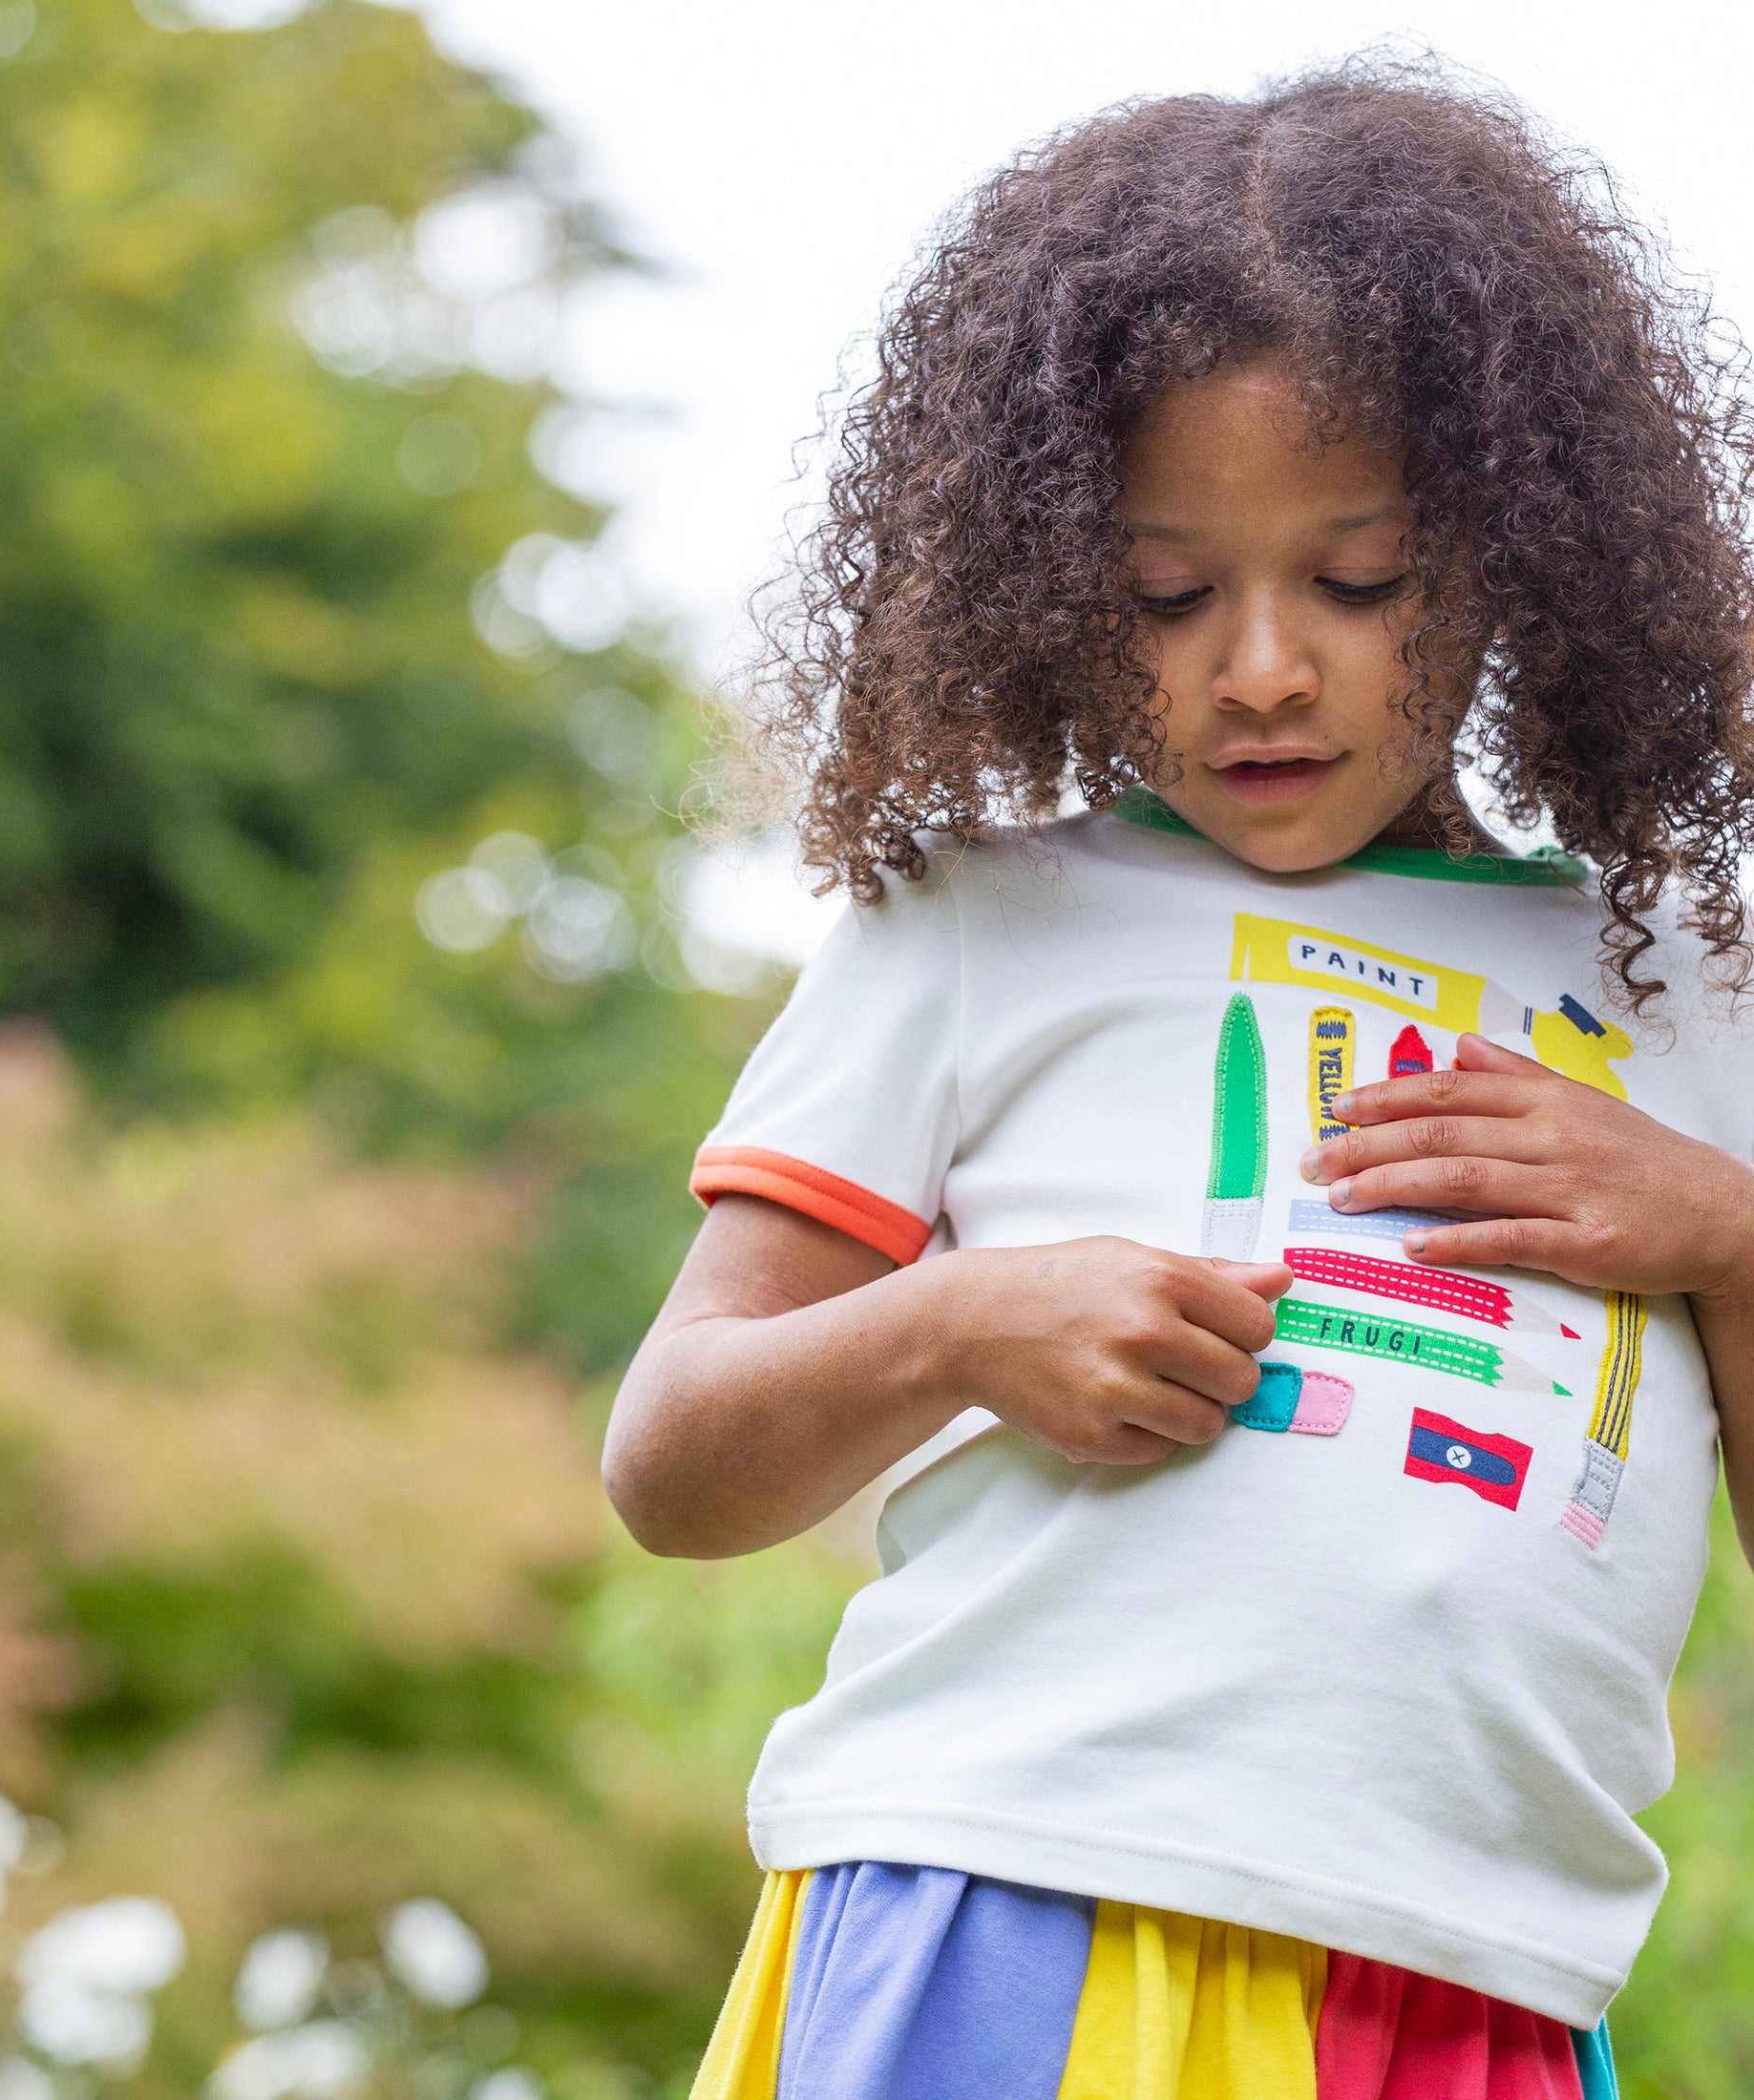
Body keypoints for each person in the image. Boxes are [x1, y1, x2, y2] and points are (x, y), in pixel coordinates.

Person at [604, 58, 1754, 2100]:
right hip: (997, 1906)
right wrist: (959, 1318)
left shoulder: (1680, 984)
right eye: (1163, 592)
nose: (1258, 667)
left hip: (1470, 1986)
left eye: (1360, 577)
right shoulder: (970, 924)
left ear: (1522, 548)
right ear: (1052, 577)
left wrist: (1727, 1235)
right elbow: (675, 1457)